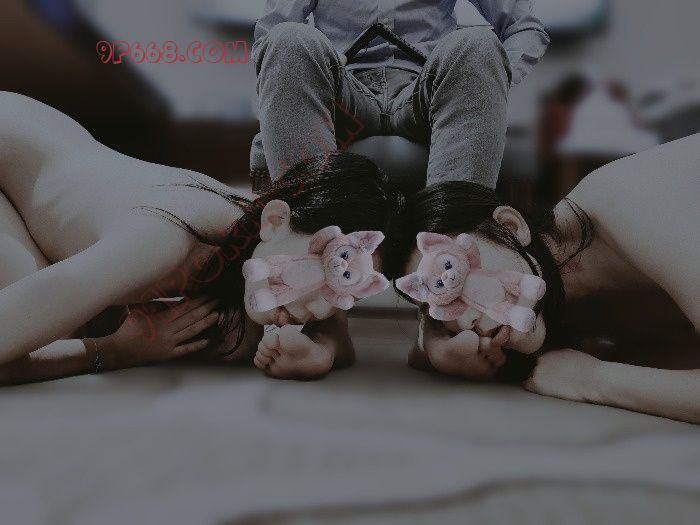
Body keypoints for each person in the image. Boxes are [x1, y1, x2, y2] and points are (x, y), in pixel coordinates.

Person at [0, 92, 402, 384]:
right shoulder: (163, 240)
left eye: (344, 290)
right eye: (318, 273)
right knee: (53, 339)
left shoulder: (285, 246)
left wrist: (323, 353)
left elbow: (336, 334)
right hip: (13, 150)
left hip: (41, 150)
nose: (317, 308)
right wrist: (114, 351)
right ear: (275, 219)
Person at [388, 134, 700, 423]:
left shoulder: (626, 204)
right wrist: (437, 347)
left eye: (462, 273)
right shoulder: (554, 304)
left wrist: (592, 380)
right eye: (440, 305)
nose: (466, 318)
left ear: (511, 227)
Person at [250, 0, 549, 188]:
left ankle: (452, 242)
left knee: (479, 42)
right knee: (286, 38)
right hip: (344, 95)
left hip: (426, 96)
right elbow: (268, 42)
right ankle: (312, 238)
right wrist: (323, 65)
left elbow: (525, 29)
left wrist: (491, 77)